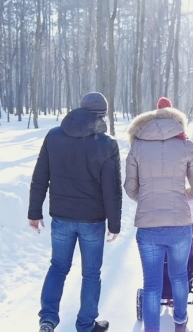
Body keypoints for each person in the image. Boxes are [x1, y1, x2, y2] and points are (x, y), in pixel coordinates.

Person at [28, 92, 122, 332]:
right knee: (91, 274)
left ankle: (47, 320)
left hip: (61, 218)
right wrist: (114, 224)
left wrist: (34, 212)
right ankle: (86, 325)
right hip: (92, 221)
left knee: (58, 267)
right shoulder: (107, 144)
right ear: (102, 115)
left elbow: (40, 177)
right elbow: (111, 189)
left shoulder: (54, 136)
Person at [124, 97, 193, 332]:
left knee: (151, 284)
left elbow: (130, 188)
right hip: (180, 225)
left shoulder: (138, 145)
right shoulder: (185, 146)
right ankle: (180, 323)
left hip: (148, 228)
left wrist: (150, 198)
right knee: (180, 277)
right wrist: (182, 195)